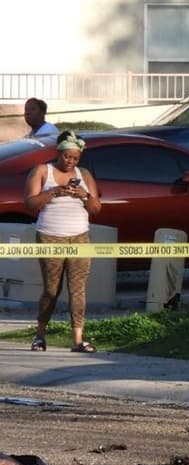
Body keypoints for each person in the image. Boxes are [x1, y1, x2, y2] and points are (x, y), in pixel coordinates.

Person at [24, 130, 101, 353]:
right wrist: (55, 192)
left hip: (79, 236)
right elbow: (30, 203)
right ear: (59, 154)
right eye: (67, 157)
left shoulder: (83, 174)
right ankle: (40, 335)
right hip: (50, 236)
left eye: (75, 158)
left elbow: (96, 208)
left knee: (78, 290)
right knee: (51, 289)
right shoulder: (42, 171)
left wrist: (84, 196)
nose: (70, 162)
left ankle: (78, 339)